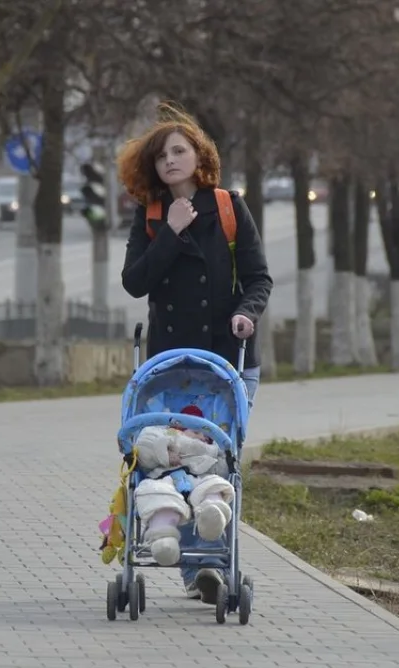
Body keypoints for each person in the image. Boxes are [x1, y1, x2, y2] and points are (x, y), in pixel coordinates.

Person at [117, 103, 273, 605]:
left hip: (229, 360)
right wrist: (170, 232)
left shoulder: (228, 208)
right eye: (161, 156)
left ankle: (209, 559)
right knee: (171, 459)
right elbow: (135, 281)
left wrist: (247, 313)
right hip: (171, 365)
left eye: (178, 151)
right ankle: (198, 570)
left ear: (199, 156)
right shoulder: (151, 215)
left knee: (217, 460)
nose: (170, 161)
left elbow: (258, 278)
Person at [132, 405, 235, 567]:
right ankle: (164, 541)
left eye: (206, 436)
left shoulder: (209, 451)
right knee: (157, 494)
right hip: (165, 481)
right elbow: (145, 447)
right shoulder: (165, 435)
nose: (202, 438)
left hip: (197, 482)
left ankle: (212, 515)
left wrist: (219, 455)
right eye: (196, 432)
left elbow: (222, 470)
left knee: (213, 484)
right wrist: (165, 452)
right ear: (178, 430)